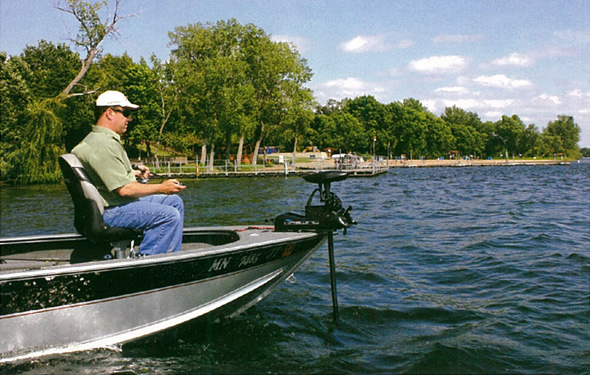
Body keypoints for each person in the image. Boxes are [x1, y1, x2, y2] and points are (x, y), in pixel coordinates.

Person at [72, 90, 186, 255]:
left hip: (112, 203)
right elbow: (125, 190)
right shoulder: (102, 145)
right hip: (111, 210)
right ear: (109, 113)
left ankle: (171, 256)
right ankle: (148, 265)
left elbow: (107, 176)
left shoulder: (101, 140)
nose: (129, 118)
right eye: (125, 113)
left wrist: (134, 173)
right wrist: (162, 187)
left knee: (174, 202)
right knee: (168, 215)